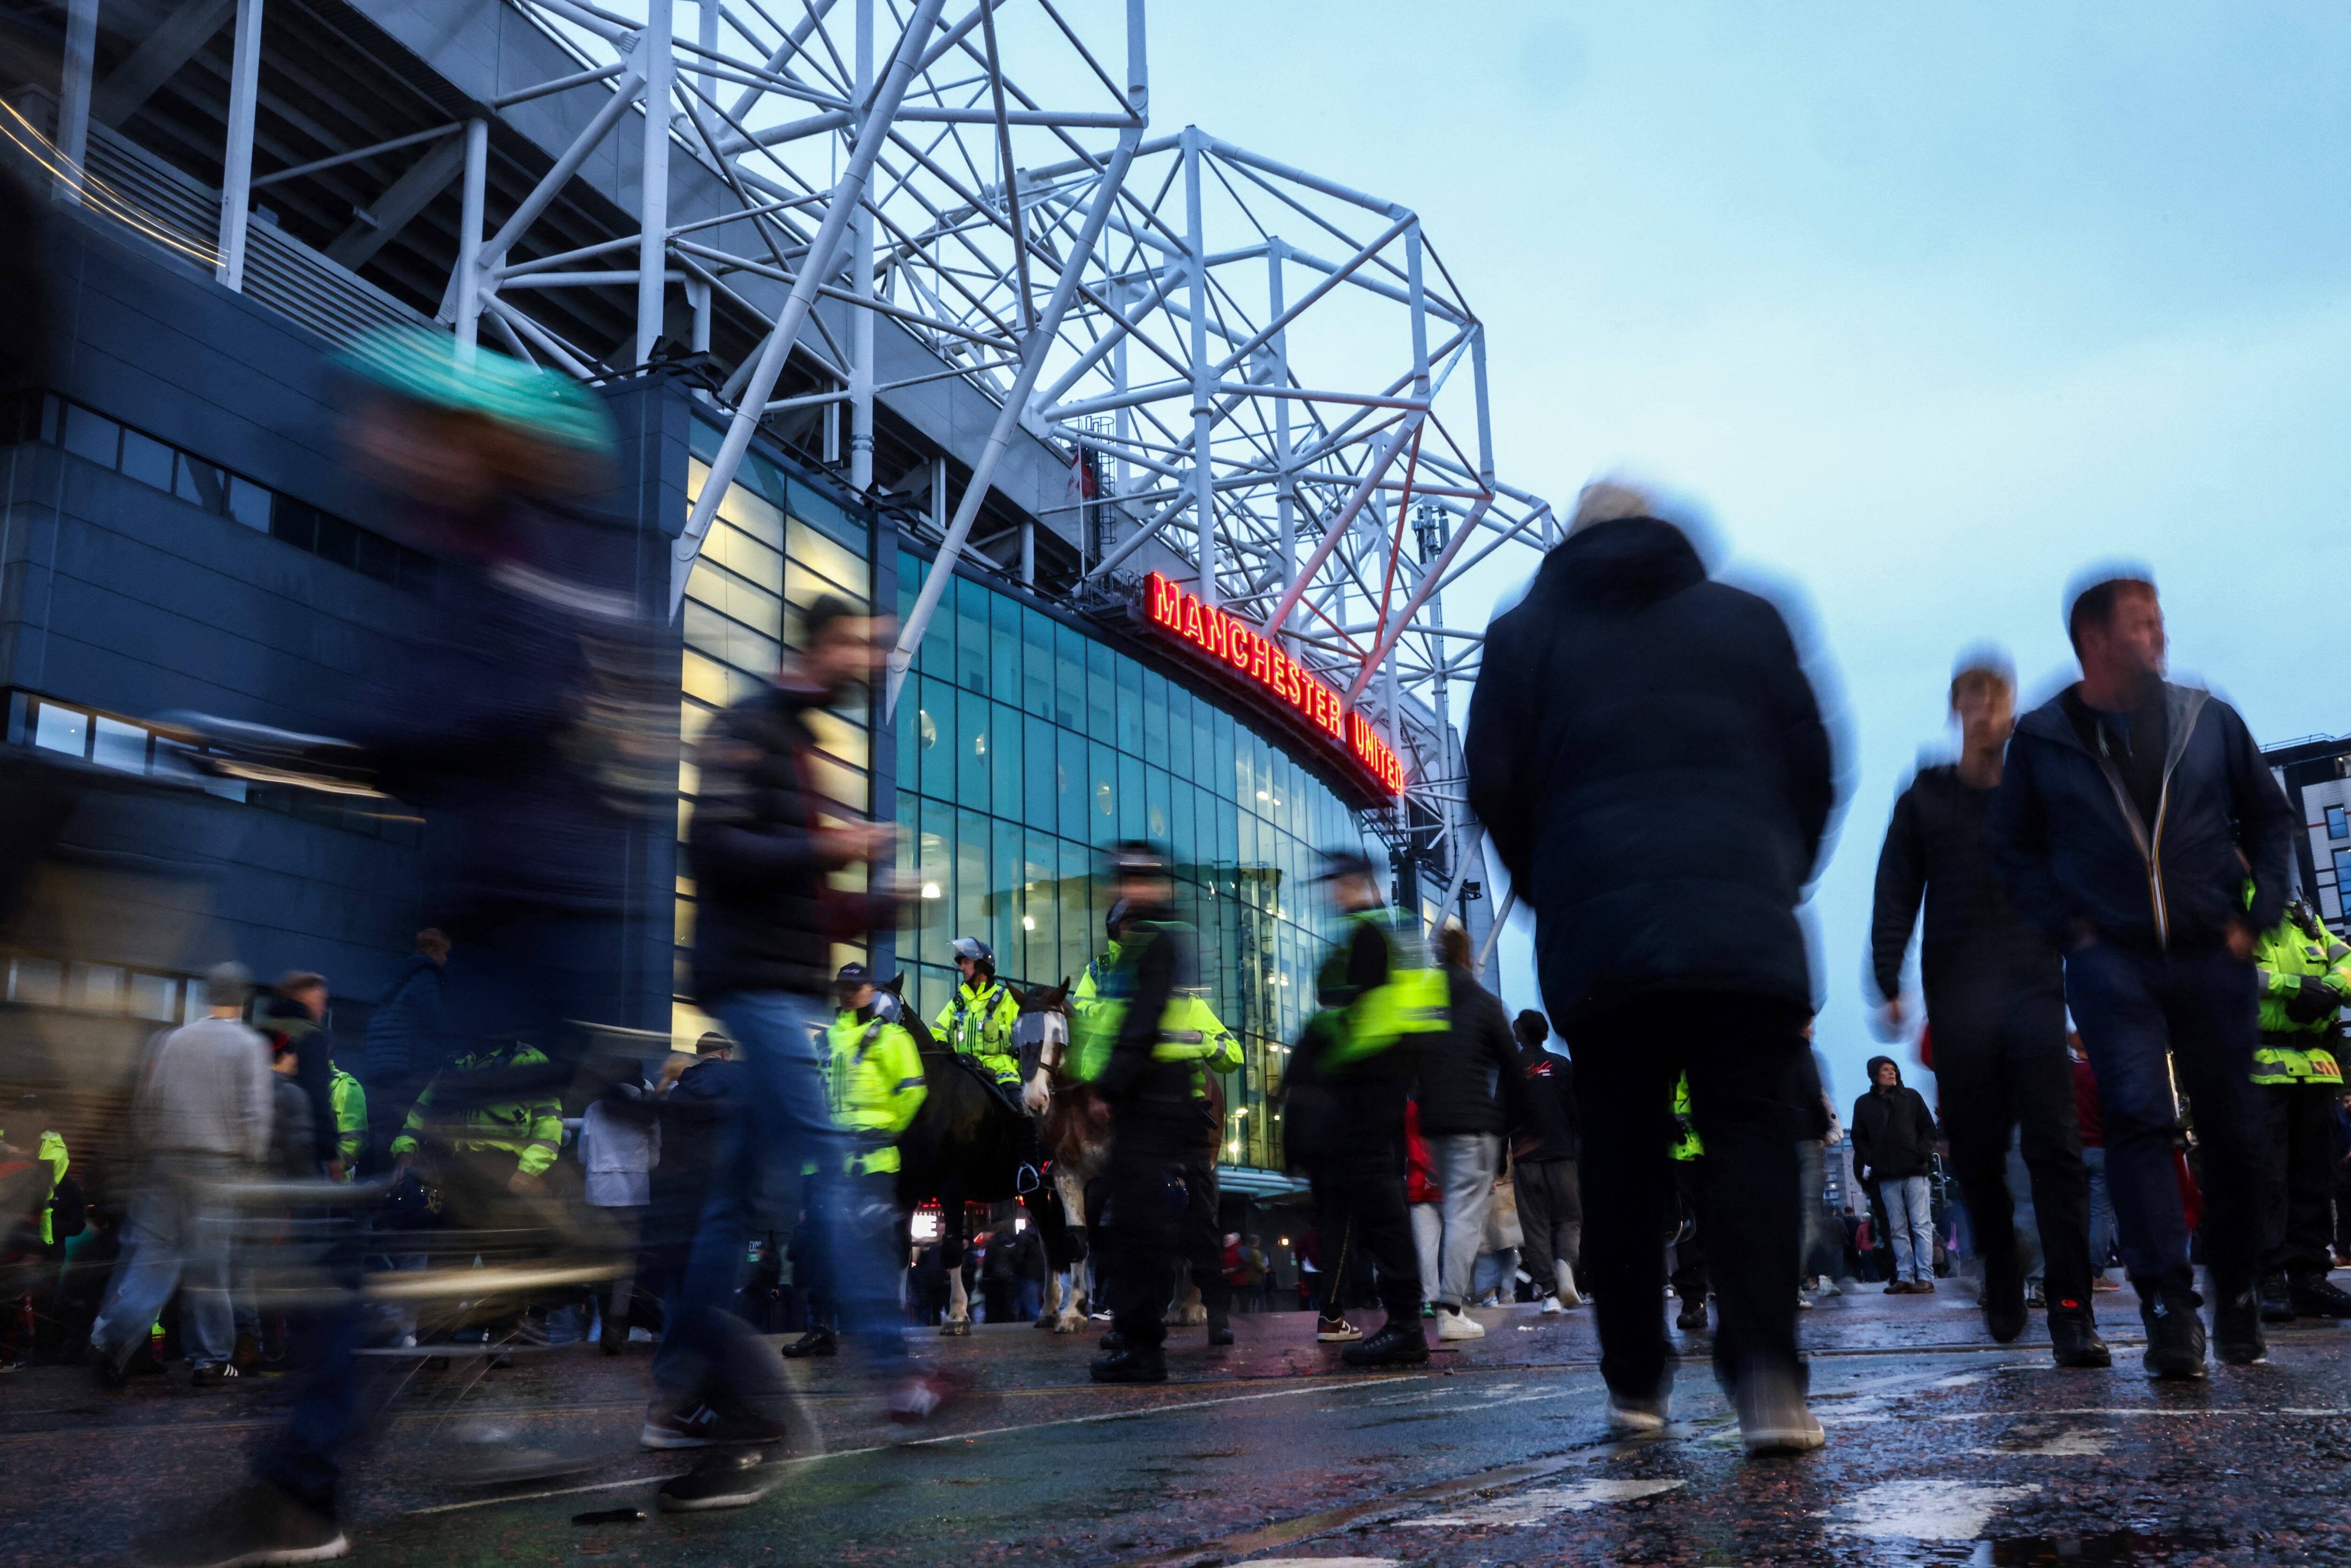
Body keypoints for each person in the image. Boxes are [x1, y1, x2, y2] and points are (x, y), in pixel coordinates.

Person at [1465, 480, 1837, 1455]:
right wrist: (1772, 873)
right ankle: (1766, 1375)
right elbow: (1813, 766)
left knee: (1623, 1157)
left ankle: (1636, 1381)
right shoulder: (1749, 615)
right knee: (1748, 1143)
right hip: (1741, 930)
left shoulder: (1523, 635)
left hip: (1604, 935)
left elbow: (1494, 784)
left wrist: (1557, 885)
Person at [1984, 566, 2293, 1378]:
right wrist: (2069, 931)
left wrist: (2257, 920)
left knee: (2234, 1131)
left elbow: (2269, 816)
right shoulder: (2046, 739)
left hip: (2209, 949)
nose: (2158, 636)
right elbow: (2010, 850)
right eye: (2140, 623)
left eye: (2158, 621)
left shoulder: (2207, 719)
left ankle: (2234, 1293)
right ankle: (2168, 1311)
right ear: (2093, 640)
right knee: (2137, 1118)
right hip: (2110, 957)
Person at [662, 594, 923, 1510]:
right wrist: (831, 842)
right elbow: (716, 846)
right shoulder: (751, 724)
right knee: (830, 1160)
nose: (871, 661)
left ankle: (681, 1382)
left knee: (733, 1202)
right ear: (822, 644)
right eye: (861, 645)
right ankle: (899, 1369)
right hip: (752, 986)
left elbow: (809, 900)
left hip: (781, 982)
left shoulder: (806, 741)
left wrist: (883, 904)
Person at [1868, 653, 2106, 1365]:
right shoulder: (1925, 799)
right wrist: (1888, 978)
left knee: (2057, 1148)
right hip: (1960, 1000)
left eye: (1996, 698)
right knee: (1974, 1153)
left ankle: (2071, 1308)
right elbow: (1893, 892)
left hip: (2035, 989)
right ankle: (2001, 1260)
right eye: (1971, 698)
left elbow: (2085, 873)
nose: (1984, 710)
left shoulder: (2040, 793)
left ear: (2011, 712)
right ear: (1956, 709)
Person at [1080, 843, 1244, 1382]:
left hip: (1172, 1103)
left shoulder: (1160, 944)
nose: (1124, 917)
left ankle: (1192, 1320)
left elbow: (1218, 1047)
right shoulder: (1117, 968)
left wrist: (1196, 1041)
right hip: (1142, 1098)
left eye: (1132, 889)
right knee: (1130, 1220)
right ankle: (1135, 1330)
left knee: (1185, 1220)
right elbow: (1103, 1032)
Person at [1277, 849, 1446, 1370]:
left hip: (1365, 1099)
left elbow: (1363, 1024)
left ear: (1355, 881)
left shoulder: (1372, 938)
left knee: (1381, 1216)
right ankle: (1402, 1326)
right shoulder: (1384, 935)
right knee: (1378, 1217)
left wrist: (1316, 1062)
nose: (1329, 894)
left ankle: (1403, 1328)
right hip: (1371, 1098)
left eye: (1334, 883)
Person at [90, 964, 270, 1392]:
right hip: (218, 1167)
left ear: (208, 995)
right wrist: (250, 1163)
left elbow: (149, 1105)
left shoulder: (176, 1040)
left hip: (167, 1164)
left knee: (152, 1260)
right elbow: (256, 1115)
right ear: (243, 998)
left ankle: (117, 1338)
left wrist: (159, 1147)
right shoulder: (249, 1045)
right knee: (209, 1268)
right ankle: (209, 1362)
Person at [782, 964, 928, 1359]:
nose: (847, 994)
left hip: (872, 1161)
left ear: (870, 989)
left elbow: (914, 1091)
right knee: (816, 1249)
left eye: (855, 987)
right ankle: (821, 1329)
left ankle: (888, 1335)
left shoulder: (893, 1037)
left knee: (875, 1249)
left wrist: (885, 1129)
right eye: (842, 988)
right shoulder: (825, 1040)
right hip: (826, 1165)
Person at [1417, 924, 1530, 1342]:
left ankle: (1445, 1301)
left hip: (1435, 1125)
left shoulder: (1426, 1005)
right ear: (1467, 957)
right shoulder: (1484, 1002)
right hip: (1473, 1123)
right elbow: (1513, 1068)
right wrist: (1517, 1123)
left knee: (1451, 1212)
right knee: (1466, 1217)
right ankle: (1450, 1308)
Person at [2248, 901, 2351, 1320]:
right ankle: (2268, 1277)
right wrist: (2295, 986)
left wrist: (2330, 989)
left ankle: (2309, 1276)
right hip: (2254, 1065)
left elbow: (2345, 959)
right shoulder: (2215, 902)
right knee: (2265, 1179)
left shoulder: (2298, 912)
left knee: (2314, 1178)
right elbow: (2216, 974)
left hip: (2316, 1065)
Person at [578, 1066, 661, 1355]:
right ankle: (617, 1323)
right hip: (635, 1196)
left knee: (603, 1264)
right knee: (626, 1267)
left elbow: (581, 1153)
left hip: (599, 1195)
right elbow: (654, 1160)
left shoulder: (594, 1109)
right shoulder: (647, 1110)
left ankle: (604, 1326)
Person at [1510, 1010, 1583, 1313]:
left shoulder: (1512, 1068)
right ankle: (1565, 1263)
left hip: (1527, 1158)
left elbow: (1505, 1114)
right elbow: (1575, 1111)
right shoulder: (1562, 1065)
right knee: (1569, 1219)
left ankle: (1550, 1294)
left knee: (1535, 1226)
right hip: (1563, 1156)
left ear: (1522, 1033)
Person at [360, 930, 448, 1178]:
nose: (446, 960)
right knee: (403, 1129)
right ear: (433, 952)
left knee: (379, 1131)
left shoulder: (397, 982)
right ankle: (391, 1191)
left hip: (382, 1068)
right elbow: (437, 1020)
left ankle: (369, 1193)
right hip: (405, 1067)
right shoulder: (426, 976)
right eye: (444, 953)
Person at [1850, 1057, 1939, 1294]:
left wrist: (1921, 1152)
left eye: (1893, 1069)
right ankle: (1905, 1276)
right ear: (1874, 1075)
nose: (1892, 1073)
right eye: (1886, 1070)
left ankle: (1926, 1277)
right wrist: (1872, 1159)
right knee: (1897, 1228)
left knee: (1921, 1225)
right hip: (1886, 1174)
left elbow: (1929, 1128)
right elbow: (1858, 1136)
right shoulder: (1864, 1104)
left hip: (1915, 1171)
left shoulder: (1911, 1097)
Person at [260, 973, 343, 1182]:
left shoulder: (261, 1028)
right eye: (321, 1001)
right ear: (304, 997)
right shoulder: (312, 1036)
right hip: (298, 1146)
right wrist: (331, 1155)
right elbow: (317, 1098)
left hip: (259, 1142)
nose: (323, 1009)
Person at [934, 937, 1023, 1091]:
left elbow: (1023, 1043)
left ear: (982, 966)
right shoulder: (957, 1003)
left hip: (1001, 1075)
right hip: (963, 1072)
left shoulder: (1007, 999)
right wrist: (943, 1048)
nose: (962, 968)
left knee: (1019, 1110)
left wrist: (1016, 1067)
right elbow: (936, 1034)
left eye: (967, 963)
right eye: (961, 963)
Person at [2070, 1035, 2120, 1290]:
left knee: (2074, 1212)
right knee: (2101, 1214)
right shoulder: (2103, 1074)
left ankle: (2071, 1270)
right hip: (2100, 1149)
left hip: (2071, 1150)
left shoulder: (2066, 1075)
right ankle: (2095, 1273)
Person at [1668, 1074, 1711, 1331]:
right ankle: (1694, 1302)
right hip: (1677, 1157)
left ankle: (1698, 1302)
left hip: (1715, 1153)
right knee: (1687, 1235)